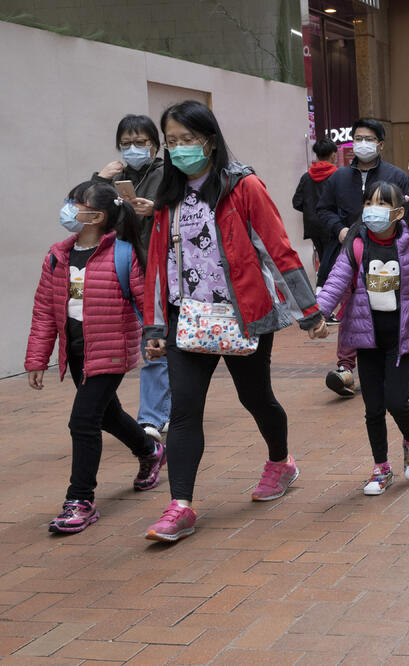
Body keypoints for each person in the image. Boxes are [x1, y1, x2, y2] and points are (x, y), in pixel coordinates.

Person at [142, 100, 327, 542]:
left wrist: (309, 310)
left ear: (209, 140)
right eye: (172, 142)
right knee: (184, 410)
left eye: (188, 140)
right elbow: (157, 263)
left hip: (244, 314)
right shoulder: (168, 197)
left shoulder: (243, 186)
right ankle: (180, 507)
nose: (180, 149)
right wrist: (154, 327)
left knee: (256, 397)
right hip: (188, 320)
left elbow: (277, 248)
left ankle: (281, 461)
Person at [25, 181, 166, 534]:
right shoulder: (57, 256)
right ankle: (150, 451)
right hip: (76, 351)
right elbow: (44, 311)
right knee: (108, 414)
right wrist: (37, 359)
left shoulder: (123, 253)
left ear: (97, 216)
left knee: (83, 421)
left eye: (75, 203)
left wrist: (154, 336)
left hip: (111, 350)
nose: (68, 208)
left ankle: (80, 500)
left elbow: (145, 297)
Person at [316, 181, 409, 495]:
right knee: (373, 408)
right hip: (365, 339)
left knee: (397, 401)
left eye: (381, 204)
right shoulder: (356, 245)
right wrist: (318, 313)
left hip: (400, 340)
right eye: (369, 201)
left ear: (398, 212)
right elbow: (336, 282)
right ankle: (381, 467)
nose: (372, 209)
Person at [316, 118, 409, 397]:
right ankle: (346, 368)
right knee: (351, 306)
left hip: (389, 254)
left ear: (380, 144)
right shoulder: (338, 178)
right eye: (357, 137)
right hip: (352, 252)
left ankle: (392, 358)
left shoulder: (397, 176)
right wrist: (340, 230)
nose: (362, 143)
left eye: (368, 139)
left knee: (386, 306)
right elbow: (322, 210)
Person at [92, 114, 170, 444]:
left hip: (157, 267)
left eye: (141, 142)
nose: (133, 149)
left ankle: (151, 417)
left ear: (155, 145)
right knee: (117, 343)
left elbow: (185, 208)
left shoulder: (168, 174)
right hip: (121, 268)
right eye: (126, 144)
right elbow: (89, 212)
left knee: (154, 342)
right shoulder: (115, 177)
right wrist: (99, 180)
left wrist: (156, 209)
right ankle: (154, 408)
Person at [292, 137, 338, 294]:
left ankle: (322, 291)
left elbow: (296, 202)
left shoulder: (306, 177)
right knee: (330, 260)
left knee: (324, 256)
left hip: (313, 226)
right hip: (331, 225)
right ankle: (323, 292)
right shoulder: (337, 176)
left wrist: (311, 211)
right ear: (333, 155)